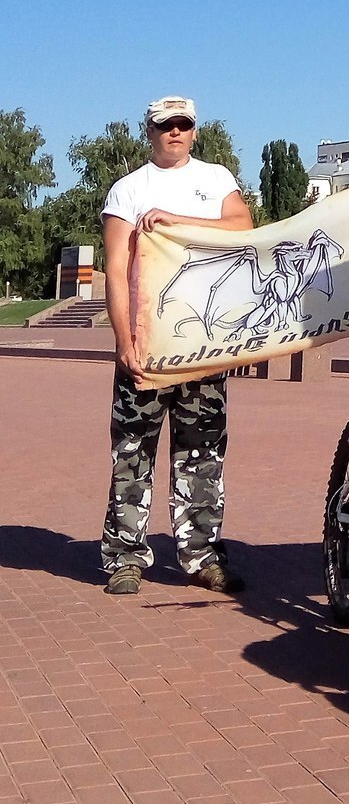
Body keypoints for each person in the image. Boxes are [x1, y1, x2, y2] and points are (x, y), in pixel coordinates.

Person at [101, 96, 254, 595]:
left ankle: (202, 554)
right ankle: (125, 557)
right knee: (132, 452)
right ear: (149, 131)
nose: (175, 132)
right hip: (148, 345)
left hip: (203, 347)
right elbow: (116, 271)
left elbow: (243, 229)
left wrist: (175, 222)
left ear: (194, 131)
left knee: (203, 452)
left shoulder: (215, 180)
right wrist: (124, 342)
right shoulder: (128, 190)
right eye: (165, 125)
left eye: (183, 124)